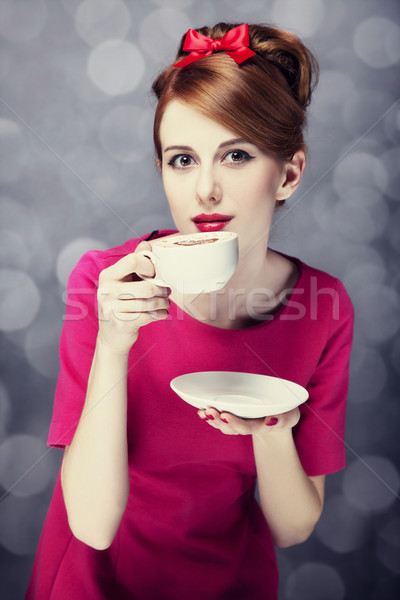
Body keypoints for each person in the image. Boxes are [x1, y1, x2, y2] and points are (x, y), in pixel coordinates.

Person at [26, 22, 354, 600]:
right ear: (162, 170)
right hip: (95, 584)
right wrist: (113, 343)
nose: (205, 189)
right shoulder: (106, 284)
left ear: (290, 174)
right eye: (182, 159)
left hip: (231, 583)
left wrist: (272, 429)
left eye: (235, 155)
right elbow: (93, 526)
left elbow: (293, 526)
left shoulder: (324, 309)